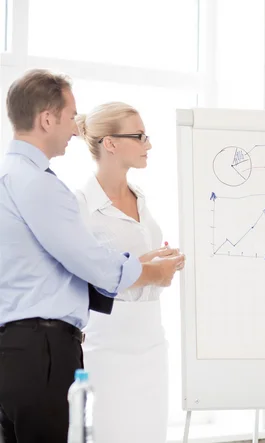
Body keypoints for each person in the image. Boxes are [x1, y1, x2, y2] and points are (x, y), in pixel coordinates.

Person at [0, 69, 185, 443]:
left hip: (27, 346)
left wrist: (143, 266)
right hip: (43, 349)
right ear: (46, 119)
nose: (74, 128)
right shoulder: (41, 185)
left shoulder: (11, 175)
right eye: (70, 117)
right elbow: (90, 262)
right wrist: (150, 271)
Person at [74, 102, 172, 443]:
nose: (148, 144)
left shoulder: (141, 197)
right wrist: (146, 271)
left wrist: (161, 267)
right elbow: (79, 279)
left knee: (151, 434)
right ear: (110, 144)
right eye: (139, 136)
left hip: (152, 339)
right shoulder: (80, 206)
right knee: (110, 434)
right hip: (109, 343)